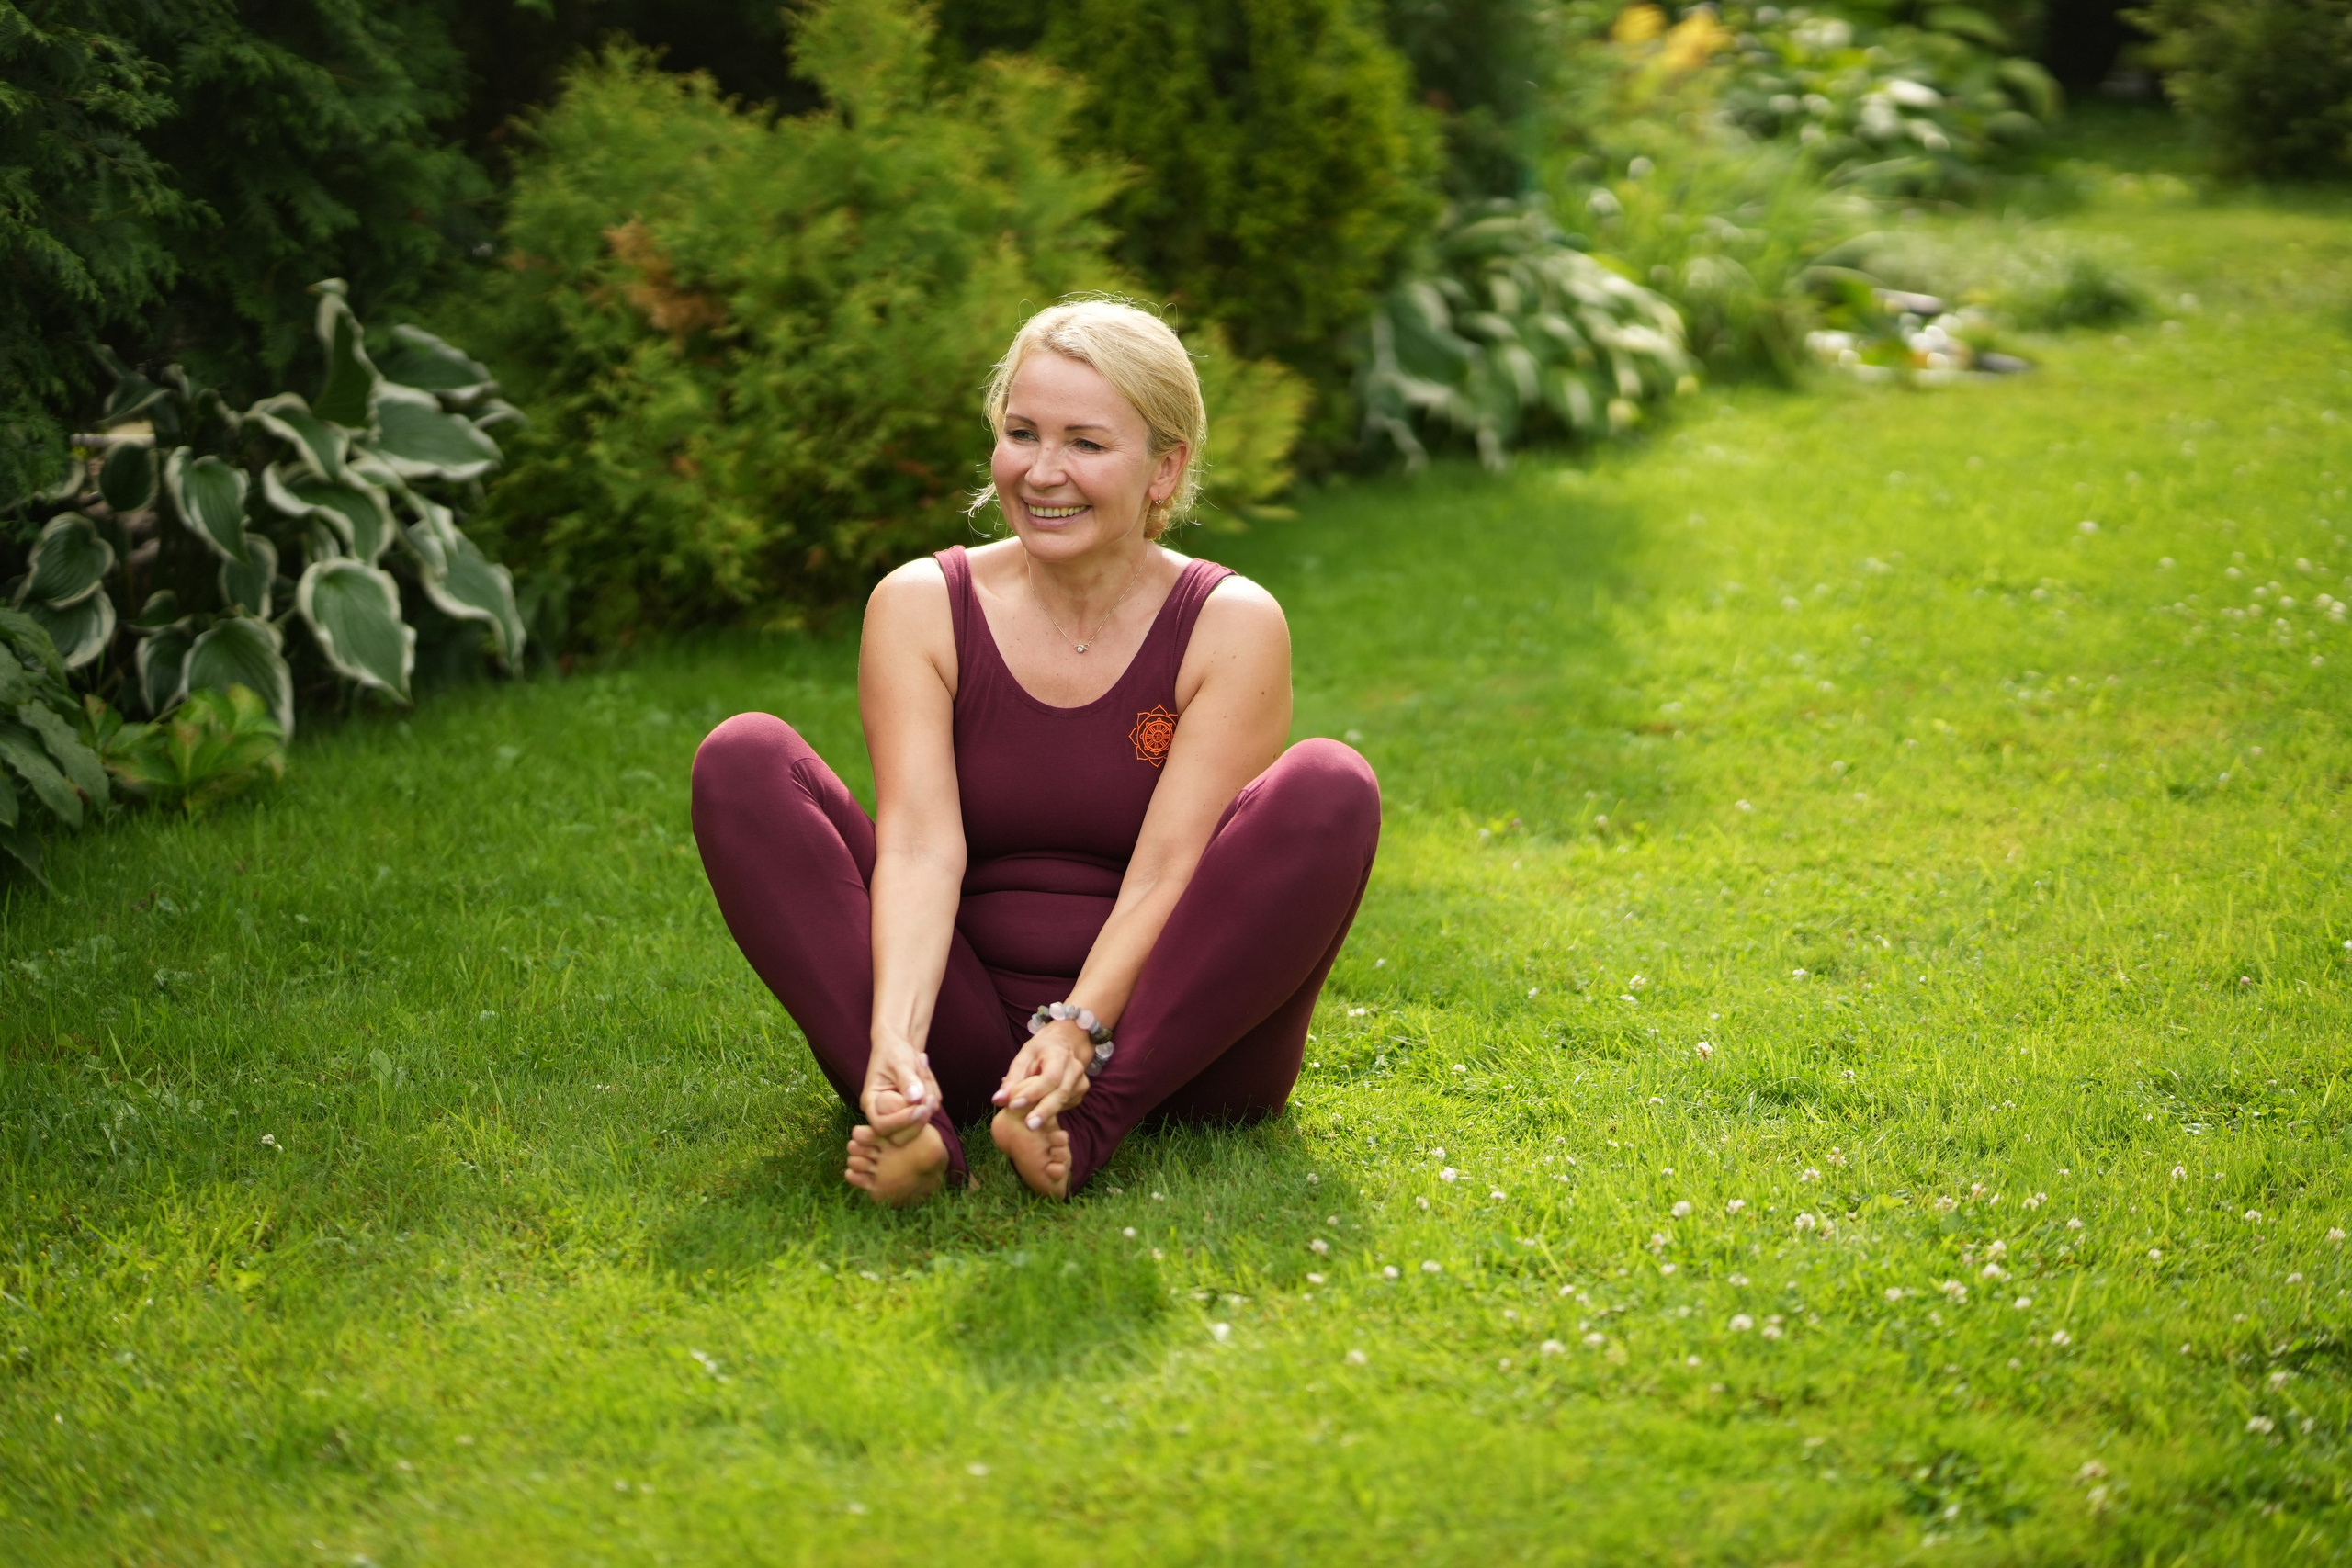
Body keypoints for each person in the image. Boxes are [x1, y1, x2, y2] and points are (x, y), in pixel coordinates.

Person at [690, 299, 1380, 1205]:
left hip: (1174, 1049)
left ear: (1163, 468)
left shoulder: (1229, 624)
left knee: (1331, 781)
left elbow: (1167, 872)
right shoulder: (921, 605)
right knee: (744, 758)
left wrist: (1075, 1032)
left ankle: (1088, 1125)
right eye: (1021, 433)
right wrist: (896, 1038)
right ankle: (912, 1117)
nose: (1043, 472)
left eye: (1086, 444)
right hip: (967, 1038)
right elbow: (919, 847)